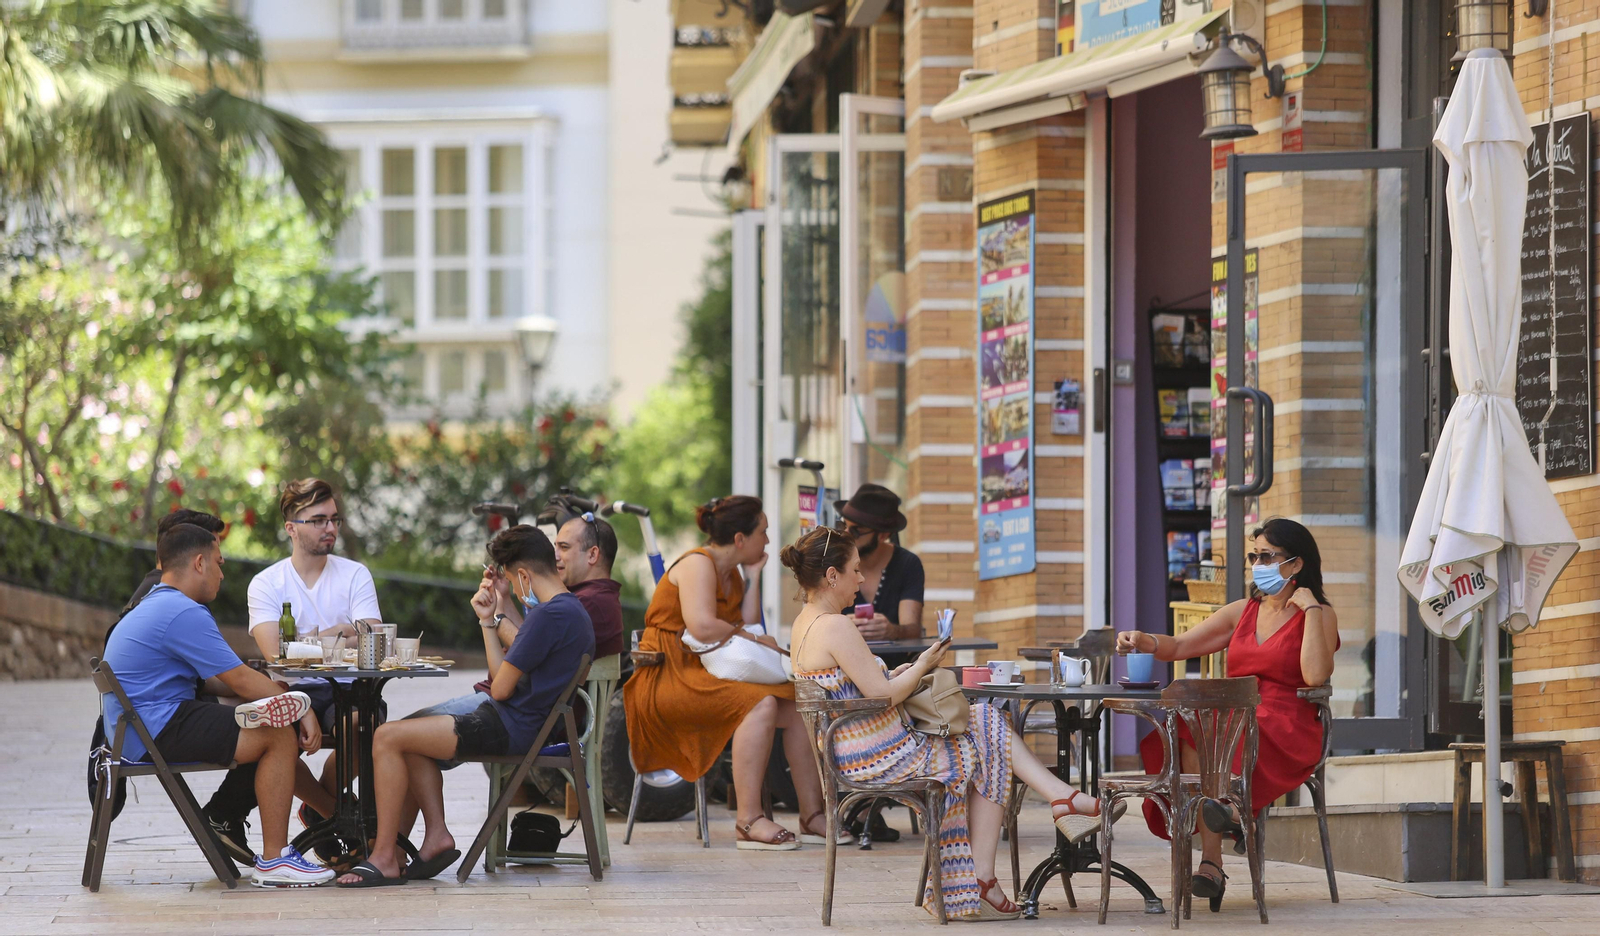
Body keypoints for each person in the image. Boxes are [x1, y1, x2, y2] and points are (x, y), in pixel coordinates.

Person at [785, 525, 1120, 920]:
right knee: (991, 735)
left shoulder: (804, 624)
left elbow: (858, 691)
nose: (861, 579)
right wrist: (925, 663)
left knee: (984, 720)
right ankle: (1019, 841)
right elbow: (882, 696)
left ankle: (1048, 813)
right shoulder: (835, 625)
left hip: (856, 748)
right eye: (855, 570)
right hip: (879, 753)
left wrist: (899, 673)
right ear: (831, 576)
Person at [335, 525, 593, 886]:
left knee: (387, 737)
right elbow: (501, 675)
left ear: (522, 575)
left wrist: (496, 619)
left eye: (513, 581)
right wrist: (488, 621)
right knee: (409, 740)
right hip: (520, 723)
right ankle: (433, 837)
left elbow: (500, 689)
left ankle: (385, 857)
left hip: (511, 726)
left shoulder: (550, 615)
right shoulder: (570, 611)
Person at [1118, 517, 1339, 906]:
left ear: (1296, 564)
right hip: (1236, 715)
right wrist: (1145, 640)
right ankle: (1214, 856)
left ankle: (1232, 811)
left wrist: (1312, 612)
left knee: (1223, 729)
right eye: (1254, 556)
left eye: (1267, 555)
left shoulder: (1318, 613)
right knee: (1189, 728)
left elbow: (1315, 674)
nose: (1258, 564)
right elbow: (1179, 647)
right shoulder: (1242, 611)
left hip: (1288, 722)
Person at [101, 523, 335, 887]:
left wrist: (270, 694)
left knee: (265, 717)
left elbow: (214, 679)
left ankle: (250, 828)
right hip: (154, 729)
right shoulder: (183, 611)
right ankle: (275, 860)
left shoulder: (156, 603)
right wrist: (300, 705)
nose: (222, 573)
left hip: (134, 730)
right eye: (218, 562)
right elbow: (237, 678)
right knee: (277, 732)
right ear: (198, 563)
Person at [623, 495, 827, 850]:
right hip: (669, 674)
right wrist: (747, 634)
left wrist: (754, 576)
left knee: (796, 706)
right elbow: (702, 627)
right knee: (760, 703)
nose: (767, 540)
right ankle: (748, 820)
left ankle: (811, 815)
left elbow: (745, 622)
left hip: (703, 669)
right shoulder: (698, 565)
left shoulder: (731, 570)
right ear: (739, 539)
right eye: (762, 532)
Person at [247, 478, 380, 830]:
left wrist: (301, 643)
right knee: (268, 736)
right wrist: (339, 634)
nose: (330, 528)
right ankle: (330, 811)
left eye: (334, 519)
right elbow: (276, 655)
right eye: (318, 520)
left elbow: (370, 638)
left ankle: (319, 807)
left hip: (350, 688)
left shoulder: (355, 575)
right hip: (288, 690)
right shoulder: (266, 583)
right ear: (291, 528)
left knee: (364, 725)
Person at [835, 483, 925, 641]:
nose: (846, 534)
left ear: (883, 535)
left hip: (899, 665)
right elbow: (815, 622)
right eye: (843, 525)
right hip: (844, 663)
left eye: (856, 530)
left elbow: (913, 630)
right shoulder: (834, 562)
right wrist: (840, 624)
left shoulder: (907, 564)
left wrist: (892, 631)